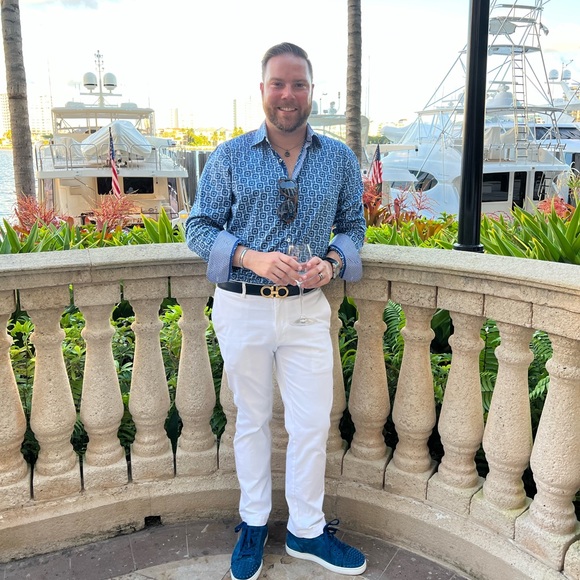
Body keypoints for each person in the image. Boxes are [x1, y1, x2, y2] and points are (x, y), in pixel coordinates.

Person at [185, 42, 367, 580]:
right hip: (243, 306)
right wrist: (251, 257)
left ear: (312, 90)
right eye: (279, 84)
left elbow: (353, 228)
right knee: (252, 420)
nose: (289, 94)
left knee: (312, 423)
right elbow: (198, 228)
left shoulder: (338, 158)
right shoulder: (229, 156)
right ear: (262, 89)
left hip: (307, 310)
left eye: (299, 84)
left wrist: (332, 264)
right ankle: (253, 522)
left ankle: (306, 529)